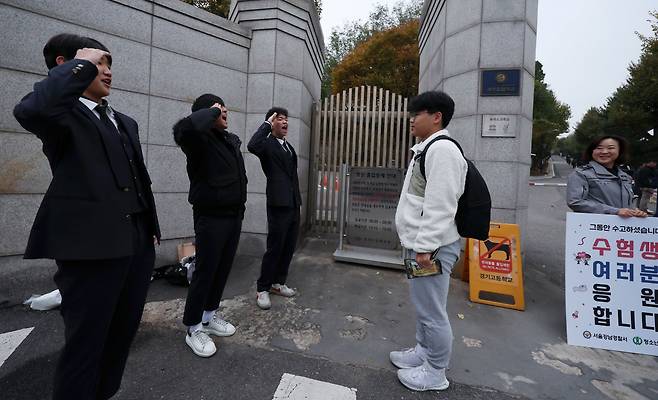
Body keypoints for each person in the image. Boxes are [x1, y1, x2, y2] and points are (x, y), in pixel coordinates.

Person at [13, 33, 160, 399]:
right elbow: (29, 111)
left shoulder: (123, 121)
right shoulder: (60, 115)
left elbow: (137, 176)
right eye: (99, 63)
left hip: (136, 243)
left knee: (121, 336)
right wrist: (82, 64)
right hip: (91, 251)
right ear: (67, 66)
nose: (107, 71)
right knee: (86, 344)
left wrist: (150, 230)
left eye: (109, 63)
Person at [391, 91, 466, 392]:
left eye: (418, 113)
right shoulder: (426, 147)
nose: (412, 118)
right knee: (425, 307)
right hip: (423, 245)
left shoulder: (442, 150)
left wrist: (425, 247)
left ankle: (435, 371)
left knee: (432, 311)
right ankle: (424, 351)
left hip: (431, 249)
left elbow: (441, 204)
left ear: (436, 117)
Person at [173, 94, 247, 357]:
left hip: (233, 216)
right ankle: (193, 328)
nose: (224, 110)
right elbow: (184, 129)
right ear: (205, 114)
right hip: (211, 218)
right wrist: (210, 113)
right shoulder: (197, 141)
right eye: (217, 107)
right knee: (205, 271)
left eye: (224, 106)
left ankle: (208, 317)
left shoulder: (228, 141)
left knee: (222, 269)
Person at [247, 107, 301, 310]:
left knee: (288, 245)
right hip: (278, 203)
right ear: (272, 122)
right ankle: (262, 288)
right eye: (280, 119)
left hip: (293, 203)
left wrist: (297, 201)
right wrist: (266, 125)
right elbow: (252, 145)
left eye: (286, 119)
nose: (285, 122)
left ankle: (278, 283)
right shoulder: (267, 145)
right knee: (275, 246)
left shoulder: (288, 147)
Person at [567, 135, 647, 218]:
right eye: (599, 148)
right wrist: (615, 211)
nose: (604, 152)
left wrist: (635, 211)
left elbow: (627, 205)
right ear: (592, 151)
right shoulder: (581, 174)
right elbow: (575, 202)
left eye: (610, 148)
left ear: (620, 151)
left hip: (620, 228)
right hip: (594, 226)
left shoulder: (625, 177)